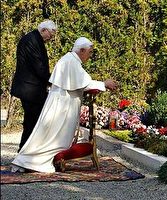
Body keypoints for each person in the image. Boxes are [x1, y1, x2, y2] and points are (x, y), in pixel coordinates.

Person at [11, 37, 117, 173]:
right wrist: (104, 84)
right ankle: (32, 161)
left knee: (48, 135)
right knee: (52, 137)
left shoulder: (70, 60)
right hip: (62, 106)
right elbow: (85, 83)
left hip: (61, 103)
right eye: (89, 52)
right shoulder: (71, 62)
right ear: (82, 50)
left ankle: (28, 160)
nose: (90, 56)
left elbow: (80, 82)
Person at [10, 20, 58, 152]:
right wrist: (54, 81)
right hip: (29, 90)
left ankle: (28, 153)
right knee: (32, 122)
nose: (51, 38)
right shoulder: (31, 40)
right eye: (51, 34)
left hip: (32, 89)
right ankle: (24, 154)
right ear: (44, 30)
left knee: (33, 122)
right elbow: (39, 67)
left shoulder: (35, 39)